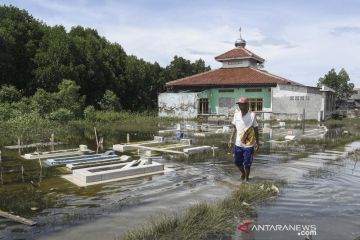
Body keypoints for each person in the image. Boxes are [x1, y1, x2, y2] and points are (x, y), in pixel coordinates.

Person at [228, 97, 259, 182]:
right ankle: (243, 173)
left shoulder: (252, 115)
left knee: (247, 164)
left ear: (246, 105)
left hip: (249, 144)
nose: (240, 107)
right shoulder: (236, 115)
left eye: (242, 105)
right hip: (238, 144)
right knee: (237, 162)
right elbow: (234, 128)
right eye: (239, 105)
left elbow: (256, 129)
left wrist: (257, 142)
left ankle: (247, 179)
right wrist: (230, 139)